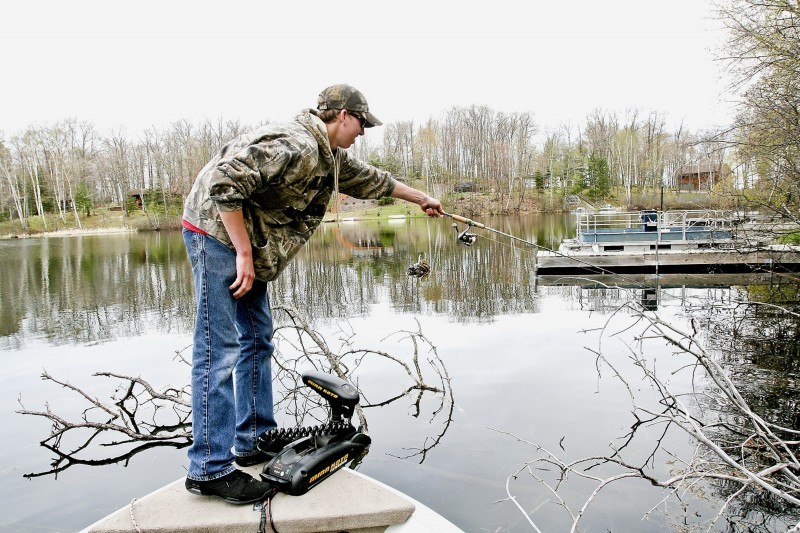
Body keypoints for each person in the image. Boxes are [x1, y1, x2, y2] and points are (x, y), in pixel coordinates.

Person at [180, 84, 444, 504]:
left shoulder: (328, 157)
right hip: (215, 236)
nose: (363, 132)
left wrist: (421, 199)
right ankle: (209, 469)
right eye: (361, 123)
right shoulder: (297, 144)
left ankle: (253, 439)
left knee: (257, 339)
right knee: (219, 348)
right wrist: (244, 253)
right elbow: (223, 182)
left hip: (247, 243)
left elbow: (372, 179)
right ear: (341, 115)